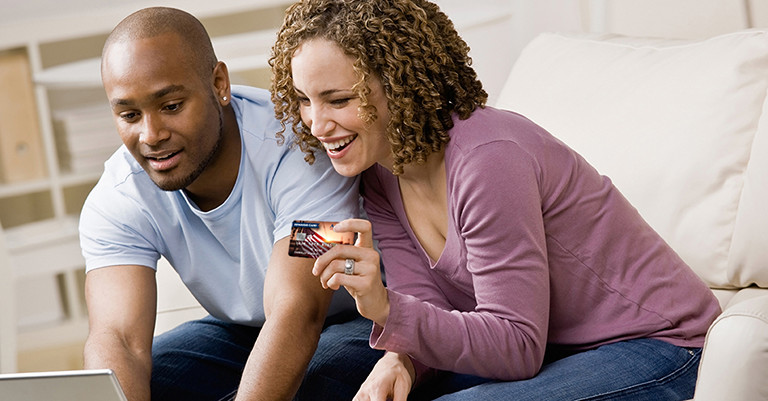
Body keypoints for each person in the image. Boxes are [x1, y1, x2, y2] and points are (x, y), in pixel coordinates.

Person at [269, 0, 723, 400]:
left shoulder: (488, 159)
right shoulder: (381, 175)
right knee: (325, 372)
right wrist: (400, 357)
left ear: (400, 83)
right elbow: (431, 307)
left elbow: (518, 347)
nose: (316, 123)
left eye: (339, 99)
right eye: (305, 101)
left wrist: (386, 307)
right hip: (550, 344)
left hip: (657, 345)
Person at [80, 7, 384, 401]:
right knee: (148, 374)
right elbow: (117, 339)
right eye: (129, 114)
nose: (151, 135)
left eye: (171, 106)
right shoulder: (118, 197)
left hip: (359, 318)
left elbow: (299, 309)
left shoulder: (303, 150)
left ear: (219, 83)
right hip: (246, 330)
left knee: (313, 374)